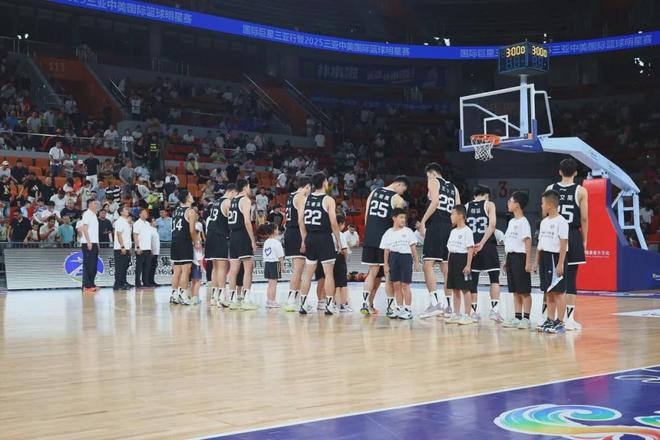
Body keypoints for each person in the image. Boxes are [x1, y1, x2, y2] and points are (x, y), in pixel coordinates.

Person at [548, 158, 588, 331]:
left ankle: (548, 317)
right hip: (572, 235)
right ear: (576, 173)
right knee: (571, 280)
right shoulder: (581, 191)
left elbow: (545, 212)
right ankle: (569, 320)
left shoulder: (550, 188)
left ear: (559, 171)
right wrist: (584, 240)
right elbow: (584, 218)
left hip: (554, 234)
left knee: (551, 279)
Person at [360, 175, 409, 317]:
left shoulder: (374, 192)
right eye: (403, 190)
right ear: (400, 185)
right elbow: (399, 222)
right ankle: (390, 307)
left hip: (370, 237)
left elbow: (366, 216)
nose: (402, 193)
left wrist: (369, 233)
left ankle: (366, 304)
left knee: (372, 272)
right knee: (388, 274)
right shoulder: (397, 199)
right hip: (386, 240)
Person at [419, 162, 460, 319]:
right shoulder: (454, 187)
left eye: (427, 176)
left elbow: (435, 202)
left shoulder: (433, 181)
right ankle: (448, 307)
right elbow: (458, 209)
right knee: (446, 268)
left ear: (432, 173)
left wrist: (423, 221)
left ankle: (435, 303)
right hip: (449, 226)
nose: (427, 179)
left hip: (436, 224)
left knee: (427, 265)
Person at [298, 172, 342, 315]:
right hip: (324, 238)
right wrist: (338, 241)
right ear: (324, 183)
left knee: (308, 274)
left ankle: (303, 305)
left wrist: (304, 239)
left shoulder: (306, 199)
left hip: (310, 237)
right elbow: (334, 223)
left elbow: (300, 221)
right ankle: (329, 305)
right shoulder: (328, 200)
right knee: (328, 274)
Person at [466, 185, 502, 322]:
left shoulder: (466, 206)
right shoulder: (489, 204)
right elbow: (492, 225)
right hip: (487, 245)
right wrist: (482, 243)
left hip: (471, 247)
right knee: (494, 278)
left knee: (473, 281)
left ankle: (473, 312)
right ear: (486, 195)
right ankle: (494, 311)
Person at [535, 190, 569, 334]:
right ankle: (550, 319)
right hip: (545, 257)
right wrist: (536, 261)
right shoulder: (544, 222)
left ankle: (560, 322)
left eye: (542, 203)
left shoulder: (561, 222)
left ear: (549, 205)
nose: (541, 206)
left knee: (558, 292)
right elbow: (540, 243)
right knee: (548, 291)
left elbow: (563, 244)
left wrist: (560, 263)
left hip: (555, 258)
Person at [380, 208, 420, 320]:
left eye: (404, 218)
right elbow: (386, 250)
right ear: (394, 218)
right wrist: (386, 265)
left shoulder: (408, 231)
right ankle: (399, 308)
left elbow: (413, 247)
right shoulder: (388, 233)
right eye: (401, 217)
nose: (403, 220)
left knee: (405, 285)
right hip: (393, 257)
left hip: (405, 257)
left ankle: (408, 310)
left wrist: (417, 262)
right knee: (396, 285)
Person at [501, 192, 533, 329]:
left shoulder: (523, 222)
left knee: (524, 290)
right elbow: (510, 243)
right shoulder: (511, 222)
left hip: (520, 257)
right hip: (511, 257)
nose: (508, 203)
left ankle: (526, 318)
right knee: (515, 290)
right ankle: (517, 316)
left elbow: (528, 242)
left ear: (517, 205)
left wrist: (528, 262)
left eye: (510, 201)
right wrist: (506, 259)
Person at [227, 179, 258, 310]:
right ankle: (246, 299)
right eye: (249, 187)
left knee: (233, 269)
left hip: (233, 236)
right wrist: (252, 240)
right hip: (242, 235)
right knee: (248, 269)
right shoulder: (245, 200)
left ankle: (233, 300)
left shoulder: (233, 200)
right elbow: (246, 221)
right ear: (245, 187)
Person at [282, 176, 312, 312]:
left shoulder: (291, 196)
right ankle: (291, 300)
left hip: (290, 232)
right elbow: (301, 220)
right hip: (297, 233)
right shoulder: (301, 197)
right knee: (298, 270)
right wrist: (304, 239)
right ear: (307, 186)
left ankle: (298, 300)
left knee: (298, 270)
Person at [205, 183, 237, 307]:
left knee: (215, 267)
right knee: (222, 267)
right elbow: (231, 221)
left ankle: (214, 297)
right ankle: (222, 297)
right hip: (219, 235)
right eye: (235, 194)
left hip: (210, 235)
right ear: (232, 192)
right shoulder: (227, 202)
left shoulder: (216, 201)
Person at [445, 205, 475, 325]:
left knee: (465, 289)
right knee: (455, 289)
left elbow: (471, 248)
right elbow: (449, 249)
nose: (451, 216)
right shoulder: (453, 231)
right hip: (453, 259)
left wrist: (468, 265)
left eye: (453, 214)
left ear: (461, 216)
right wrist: (448, 264)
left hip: (462, 259)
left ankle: (467, 315)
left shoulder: (467, 231)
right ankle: (456, 314)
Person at [170, 190, 201, 305]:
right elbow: (192, 230)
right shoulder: (190, 211)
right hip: (184, 242)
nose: (192, 196)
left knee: (177, 270)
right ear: (187, 198)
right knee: (186, 270)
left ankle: (174, 295)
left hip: (174, 241)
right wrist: (196, 242)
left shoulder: (176, 211)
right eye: (191, 195)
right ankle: (183, 296)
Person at [77, 199, 100, 294]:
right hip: (87, 243)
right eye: (95, 203)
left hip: (94, 242)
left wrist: (97, 243)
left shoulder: (94, 215)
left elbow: (94, 231)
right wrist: (88, 241)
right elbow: (85, 229)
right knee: (88, 265)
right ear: (90, 204)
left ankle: (92, 284)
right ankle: (87, 286)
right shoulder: (87, 214)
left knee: (93, 265)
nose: (96, 205)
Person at [261, 222, 285, 308]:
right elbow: (280, 256)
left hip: (267, 263)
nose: (278, 231)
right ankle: (272, 301)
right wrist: (282, 266)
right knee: (274, 284)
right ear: (274, 231)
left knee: (270, 284)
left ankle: (269, 300)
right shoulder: (276, 242)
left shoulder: (266, 242)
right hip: (274, 263)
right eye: (277, 229)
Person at [333, 214, 350, 312]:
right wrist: (345, 260)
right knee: (343, 284)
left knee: (334, 283)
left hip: (330, 259)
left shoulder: (329, 234)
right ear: (340, 224)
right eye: (343, 224)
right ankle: (343, 305)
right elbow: (344, 250)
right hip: (339, 258)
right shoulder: (340, 234)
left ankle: (334, 303)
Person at [113, 206, 132, 290]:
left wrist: (128, 248)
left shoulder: (126, 221)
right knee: (120, 267)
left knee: (124, 267)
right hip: (120, 248)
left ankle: (124, 282)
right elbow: (119, 234)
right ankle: (118, 284)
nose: (127, 211)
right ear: (121, 212)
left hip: (126, 248)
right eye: (125, 210)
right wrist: (122, 246)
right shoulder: (119, 221)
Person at [133, 208, 152, 288]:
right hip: (140, 248)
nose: (146, 214)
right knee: (139, 267)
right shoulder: (137, 223)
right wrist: (138, 247)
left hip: (148, 248)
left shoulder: (148, 223)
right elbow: (135, 235)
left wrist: (151, 248)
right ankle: (137, 283)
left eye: (146, 212)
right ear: (140, 214)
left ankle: (146, 282)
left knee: (147, 266)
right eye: (144, 212)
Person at [149, 217, 160, 286]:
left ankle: (152, 281)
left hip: (156, 251)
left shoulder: (155, 230)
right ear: (150, 223)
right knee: (150, 267)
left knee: (153, 267)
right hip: (152, 252)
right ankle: (149, 281)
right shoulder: (150, 230)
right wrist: (151, 250)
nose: (155, 222)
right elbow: (149, 241)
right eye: (153, 221)